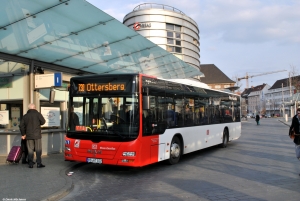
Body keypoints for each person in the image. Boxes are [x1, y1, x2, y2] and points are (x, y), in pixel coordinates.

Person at [20, 103, 46, 168]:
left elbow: (21, 126)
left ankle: (30, 163)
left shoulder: (25, 116)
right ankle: (39, 163)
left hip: (29, 135)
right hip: (37, 135)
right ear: (35, 107)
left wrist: (23, 134)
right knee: (38, 149)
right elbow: (43, 122)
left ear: (29, 108)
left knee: (30, 150)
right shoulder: (38, 114)